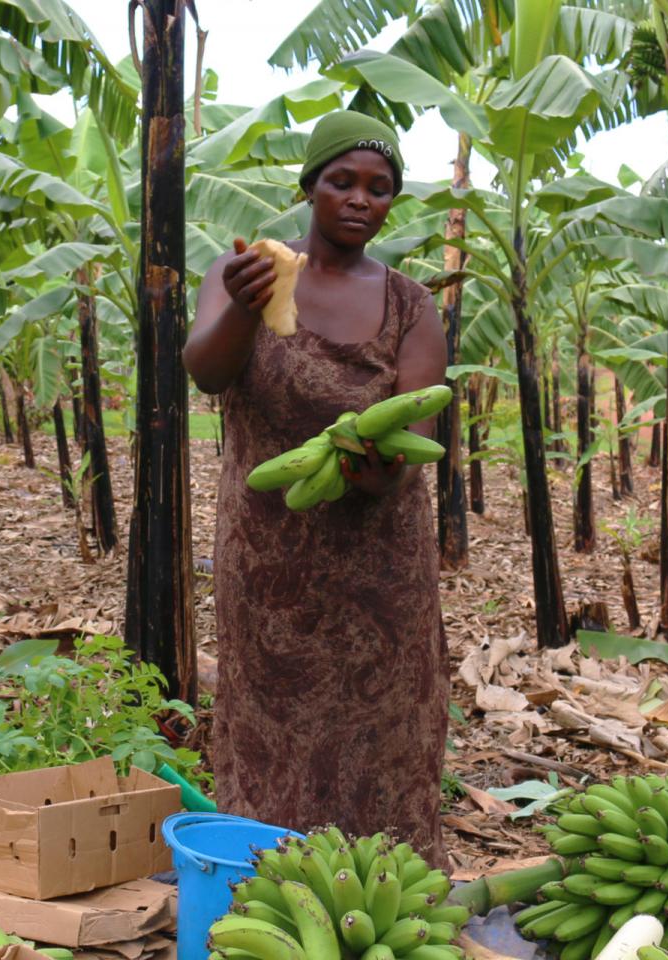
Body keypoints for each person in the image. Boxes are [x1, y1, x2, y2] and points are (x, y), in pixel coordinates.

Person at [184, 111, 448, 862]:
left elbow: (418, 430)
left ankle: (387, 902)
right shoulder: (247, 274)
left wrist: (376, 471)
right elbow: (206, 370)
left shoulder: (412, 306)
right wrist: (241, 302)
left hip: (381, 567)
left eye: (380, 188)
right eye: (342, 182)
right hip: (269, 562)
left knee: (384, 740)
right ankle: (270, 894)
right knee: (270, 736)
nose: (361, 199)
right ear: (309, 187)